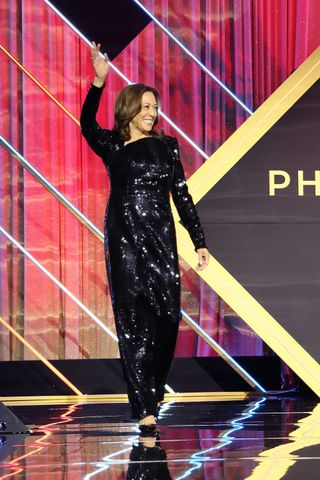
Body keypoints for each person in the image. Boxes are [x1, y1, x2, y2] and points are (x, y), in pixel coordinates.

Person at [80, 41, 210, 434]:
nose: (153, 113)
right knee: (133, 322)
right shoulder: (114, 146)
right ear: (130, 109)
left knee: (168, 318)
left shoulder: (168, 147)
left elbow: (182, 196)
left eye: (156, 108)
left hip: (160, 239)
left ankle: (152, 391)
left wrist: (199, 239)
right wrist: (98, 82)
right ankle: (144, 407)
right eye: (147, 106)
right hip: (124, 241)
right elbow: (87, 124)